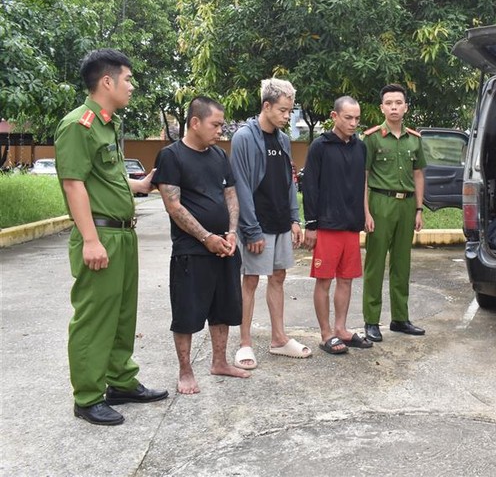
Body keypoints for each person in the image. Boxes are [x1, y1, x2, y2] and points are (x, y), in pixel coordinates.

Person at [54, 49, 167, 426]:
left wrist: (143, 184)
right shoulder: (78, 125)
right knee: (94, 317)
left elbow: (107, 178)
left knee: (121, 314)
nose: (132, 86)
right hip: (99, 234)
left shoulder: (109, 124)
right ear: (108, 81)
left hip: (123, 236)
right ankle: (87, 396)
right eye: (128, 79)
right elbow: (73, 185)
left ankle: (120, 381)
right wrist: (89, 239)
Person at [153, 97, 251, 394]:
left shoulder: (219, 156)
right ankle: (185, 371)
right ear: (195, 122)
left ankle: (219, 361)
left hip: (225, 247)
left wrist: (232, 233)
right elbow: (174, 206)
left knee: (224, 308)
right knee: (187, 313)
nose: (221, 130)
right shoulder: (171, 156)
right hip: (191, 251)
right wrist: (206, 238)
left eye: (222, 124)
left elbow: (231, 195)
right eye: (216, 124)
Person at [230, 78, 310, 369]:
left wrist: (294, 219)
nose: (288, 116)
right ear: (266, 106)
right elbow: (240, 187)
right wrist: (250, 230)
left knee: (278, 278)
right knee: (250, 280)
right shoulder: (244, 138)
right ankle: (244, 344)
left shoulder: (283, 139)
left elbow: (289, 182)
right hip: (257, 226)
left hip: (280, 223)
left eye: (290, 111)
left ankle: (278, 339)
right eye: (283, 111)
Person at [302, 96, 370, 354]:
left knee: (346, 280)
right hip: (327, 226)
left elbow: (361, 184)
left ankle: (341, 328)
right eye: (348, 118)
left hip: (351, 226)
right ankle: (326, 333)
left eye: (357, 118)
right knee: (324, 281)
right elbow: (310, 187)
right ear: (334, 116)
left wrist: (365, 214)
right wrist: (311, 225)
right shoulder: (319, 146)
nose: (353, 123)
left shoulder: (360, 147)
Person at [362, 83, 428, 342]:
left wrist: (419, 209)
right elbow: (364, 177)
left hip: (407, 205)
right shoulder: (372, 137)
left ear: (405, 107)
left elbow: (418, 174)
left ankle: (400, 318)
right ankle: (371, 321)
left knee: (402, 263)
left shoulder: (415, 139)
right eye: (388, 103)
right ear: (382, 107)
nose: (393, 107)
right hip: (381, 203)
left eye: (398, 103)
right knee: (375, 264)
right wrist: (365, 211)